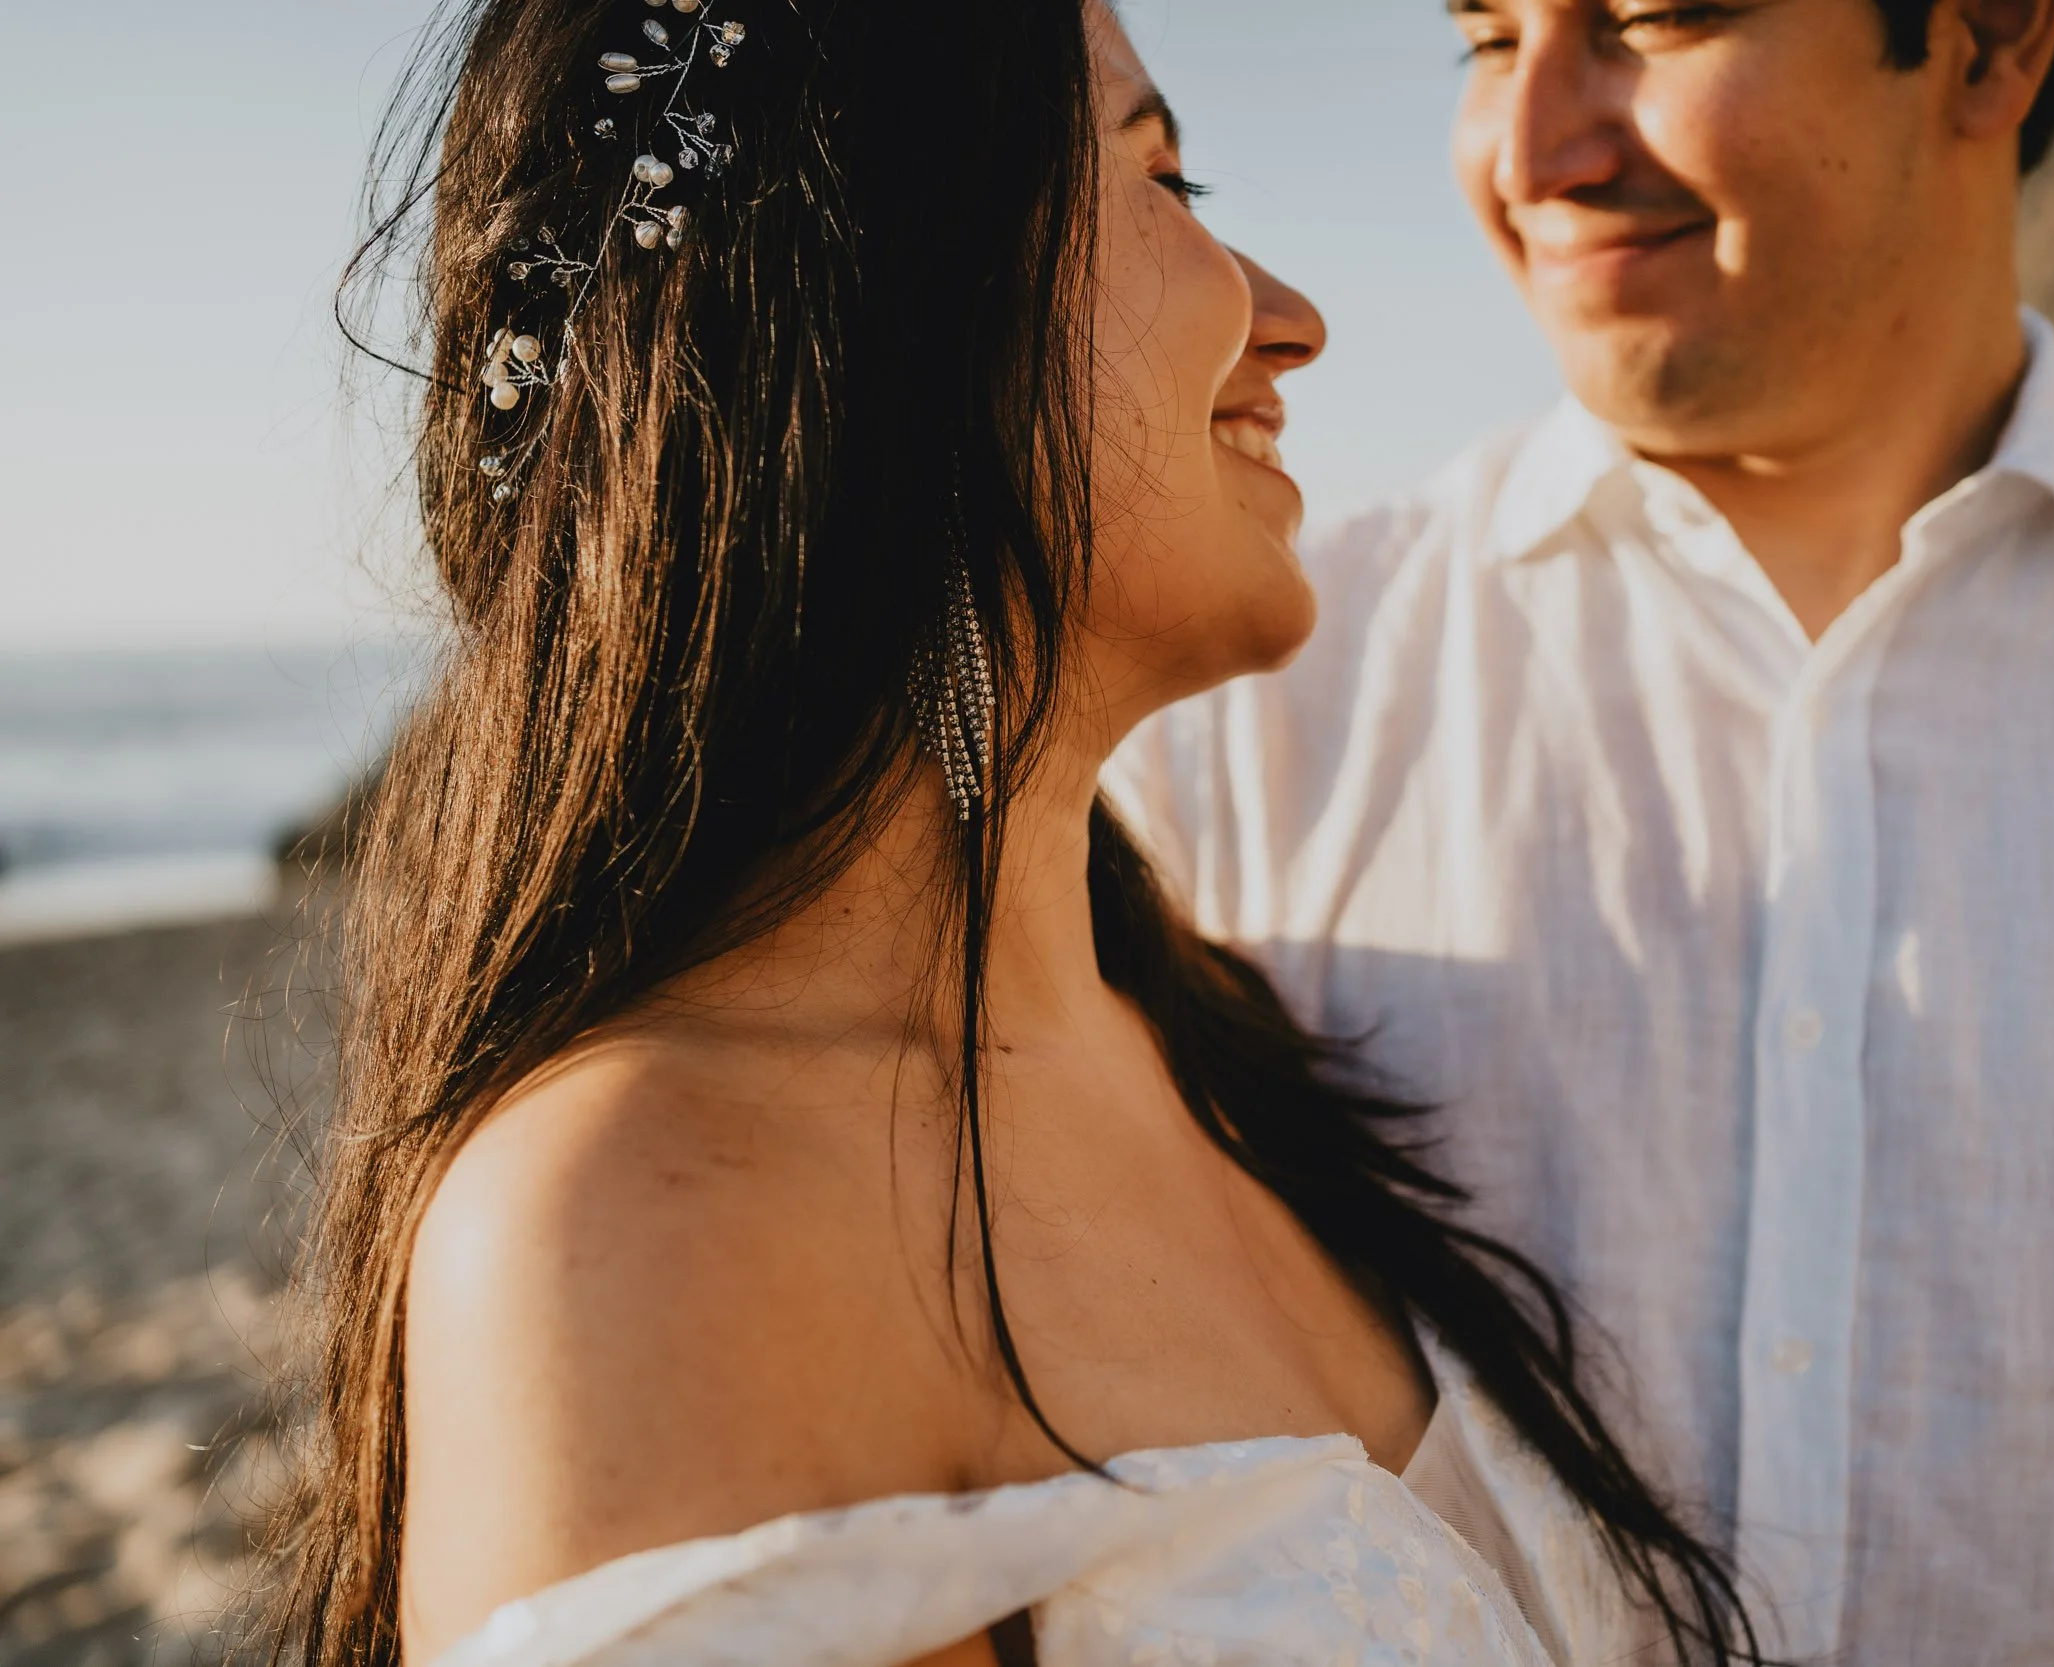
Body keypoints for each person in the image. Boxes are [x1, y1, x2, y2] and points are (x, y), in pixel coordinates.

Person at [261, 3, 1765, 1666]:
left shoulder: (1225, 1042)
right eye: (1165, 180)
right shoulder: (653, 1220)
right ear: (894, 316)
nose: (1295, 319)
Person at [1105, 0, 2054, 1660]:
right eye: (1487, 40)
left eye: (1650, 22)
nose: (1534, 149)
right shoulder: (1228, 726)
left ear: (1989, 44)